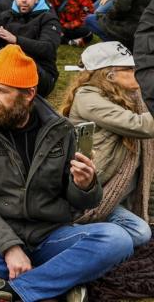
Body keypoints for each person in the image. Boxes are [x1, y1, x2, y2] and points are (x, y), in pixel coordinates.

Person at [0, 45, 129, 302]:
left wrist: (85, 185)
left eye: (2, 91)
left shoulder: (61, 129)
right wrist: (10, 247)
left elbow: (82, 205)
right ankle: (58, 282)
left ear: (29, 94)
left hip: (50, 235)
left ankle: (11, 290)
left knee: (118, 239)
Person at [62, 42, 154, 248]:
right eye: (129, 68)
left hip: (117, 192)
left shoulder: (130, 96)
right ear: (109, 74)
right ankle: (72, 234)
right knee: (140, 233)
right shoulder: (88, 97)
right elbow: (142, 125)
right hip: (93, 192)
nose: (135, 71)